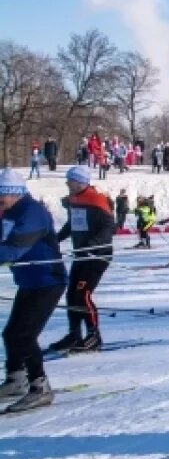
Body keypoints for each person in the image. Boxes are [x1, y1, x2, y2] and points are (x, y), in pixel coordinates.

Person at [0, 170, 68, 412]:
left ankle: (40, 386)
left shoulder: (32, 213)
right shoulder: (9, 211)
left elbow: (13, 249)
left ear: (15, 192)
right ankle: (16, 379)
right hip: (29, 280)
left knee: (24, 336)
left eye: (2, 194)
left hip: (47, 280)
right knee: (10, 334)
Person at [49, 166, 115, 352]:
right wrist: (54, 239)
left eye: (70, 180)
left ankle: (94, 336)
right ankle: (74, 335)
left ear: (80, 182)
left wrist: (93, 244)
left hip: (97, 254)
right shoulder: (74, 200)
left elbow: (110, 227)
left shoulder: (97, 200)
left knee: (83, 294)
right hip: (81, 255)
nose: (67, 183)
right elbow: (72, 225)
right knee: (71, 295)